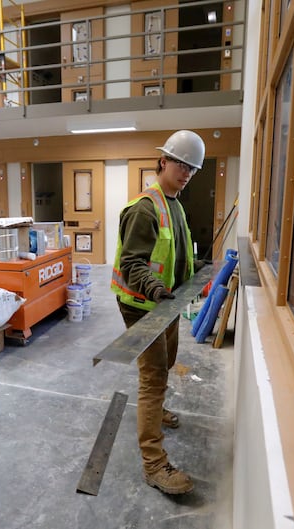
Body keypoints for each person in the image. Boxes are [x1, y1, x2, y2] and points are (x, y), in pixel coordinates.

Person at [110, 129, 204, 494]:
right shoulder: (144, 209)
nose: (186, 173)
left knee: (166, 363)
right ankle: (154, 463)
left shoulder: (174, 205)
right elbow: (132, 263)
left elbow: (175, 254)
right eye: (181, 165)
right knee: (152, 378)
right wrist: (155, 289)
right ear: (163, 161)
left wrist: (195, 274)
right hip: (142, 305)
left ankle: (157, 410)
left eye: (192, 168)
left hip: (167, 303)